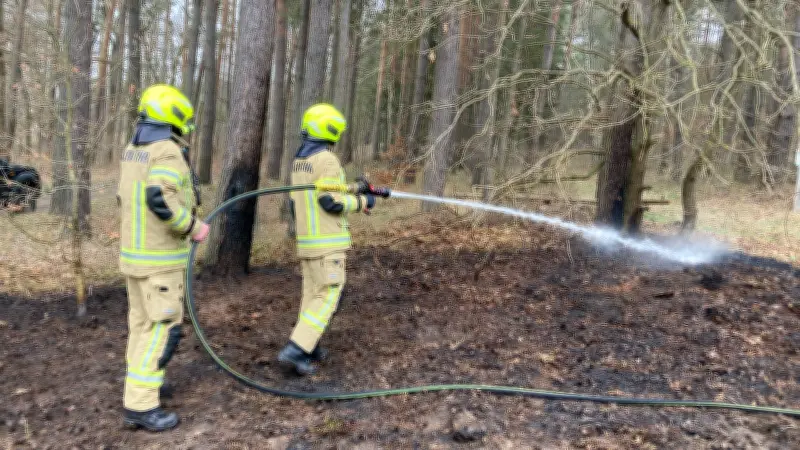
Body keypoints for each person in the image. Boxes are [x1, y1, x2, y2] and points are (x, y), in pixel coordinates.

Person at [117, 84, 209, 431]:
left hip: (135, 259)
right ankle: (141, 407)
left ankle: (141, 387)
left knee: (141, 326)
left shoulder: (133, 150)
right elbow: (161, 200)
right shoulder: (166, 151)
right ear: (175, 118)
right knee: (164, 329)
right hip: (159, 261)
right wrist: (193, 227)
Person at [277, 103, 376, 375]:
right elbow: (330, 201)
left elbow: (323, 189)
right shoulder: (327, 159)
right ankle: (295, 350)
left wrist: (358, 188)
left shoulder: (301, 161)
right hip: (327, 242)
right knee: (329, 294)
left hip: (308, 242)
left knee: (312, 295)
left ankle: (309, 344)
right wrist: (361, 202)